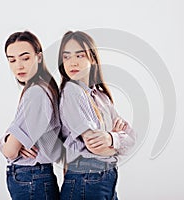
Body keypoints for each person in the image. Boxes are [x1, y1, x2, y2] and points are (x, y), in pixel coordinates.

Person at [58, 30, 136, 200]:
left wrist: (110, 138)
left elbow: (132, 139)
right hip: (85, 178)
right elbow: (94, 145)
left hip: (105, 179)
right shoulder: (72, 91)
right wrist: (116, 140)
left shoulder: (102, 97)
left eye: (79, 56)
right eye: (66, 57)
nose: (72, 63)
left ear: (92, 59)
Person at [0, 31, 62, 200]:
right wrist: (11, 142)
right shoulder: (42, 88)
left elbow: (10, 151)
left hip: (31, 177)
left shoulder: (36, 93)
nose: (18, 65)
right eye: (12, 60)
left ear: (38, 57)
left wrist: (9, 143)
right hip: (35, 176)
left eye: (25, 58)